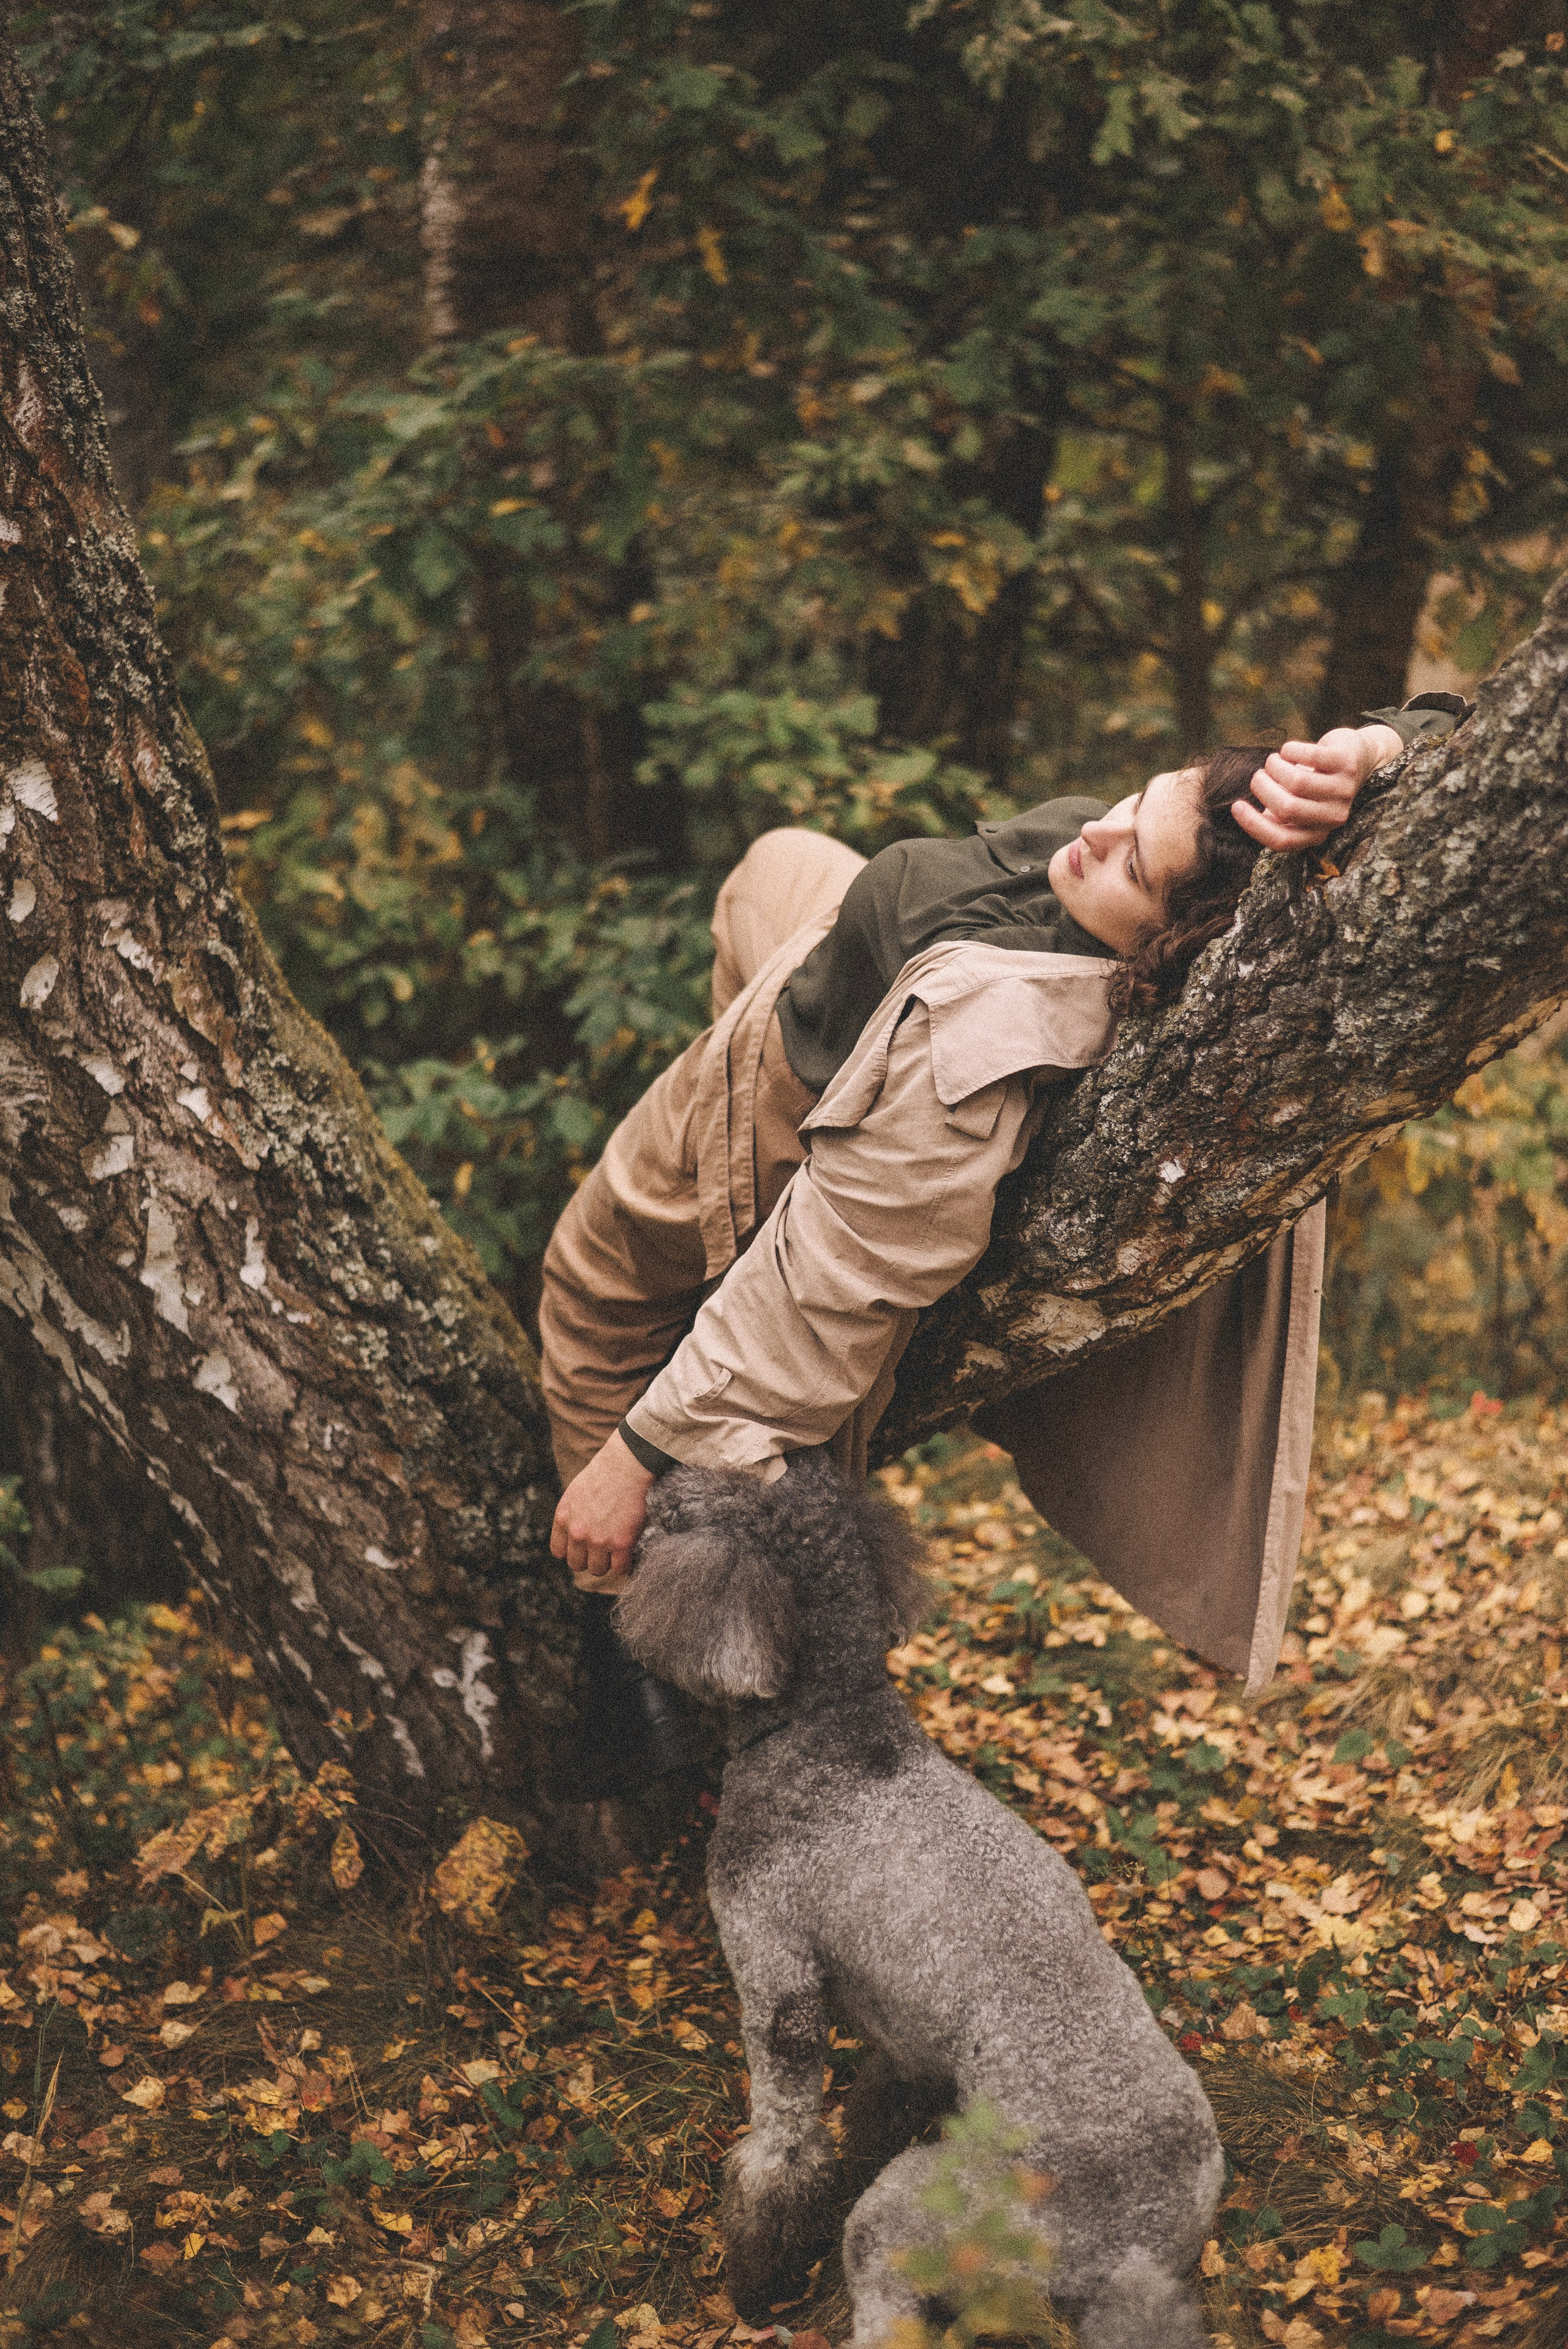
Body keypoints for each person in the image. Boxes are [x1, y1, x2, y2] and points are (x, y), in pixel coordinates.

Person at [540, 693, 1473, 1796]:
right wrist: (1373, 750)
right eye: (1136, 807)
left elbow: (830, 1295)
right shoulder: (1122, 862)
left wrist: (633, 1457)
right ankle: (719, 1277)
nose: (1097, 834)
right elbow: (1480, 750)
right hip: (824, 946)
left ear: (1170, 956)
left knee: (587, 1287)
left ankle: (625, 1647)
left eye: (1134, 867)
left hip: (768, 1090)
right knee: (771, 861)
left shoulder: (969, 1059)